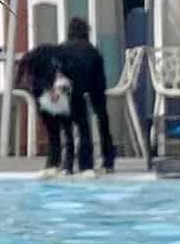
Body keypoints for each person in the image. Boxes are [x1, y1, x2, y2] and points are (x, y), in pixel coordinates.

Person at [14, 25, 91, 174]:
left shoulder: (39, 60)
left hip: (52, 90)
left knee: (55, 133)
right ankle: (65, 166)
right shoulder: (56, 59)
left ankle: (55, 164)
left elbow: (23, 74)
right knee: (65, 130)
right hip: (54, 91)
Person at [52, 15, 113, 172]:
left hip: (68, 92)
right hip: (91, 84)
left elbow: (56, 75)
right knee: (100, 118)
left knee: (68, 127)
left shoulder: (61, 49)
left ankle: (68, 163)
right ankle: (105, 160)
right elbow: (99, 77)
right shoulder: (92, 50)